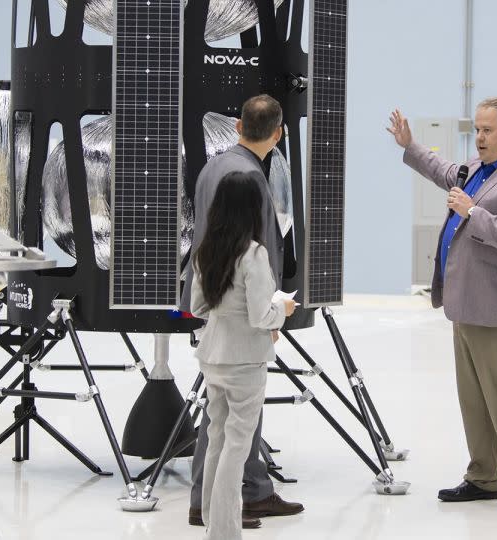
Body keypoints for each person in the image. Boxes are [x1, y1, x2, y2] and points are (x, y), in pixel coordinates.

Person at [387, 97, 497, 512]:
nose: (478, 138)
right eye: (477, 130)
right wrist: (411, 145)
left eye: (487, 130)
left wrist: (472, 211)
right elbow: (445, 173)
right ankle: (481, 477)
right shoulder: (480, 169)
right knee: (474, 401)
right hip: (468, 308)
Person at [180, 95, 304, 527]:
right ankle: (227, 507)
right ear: (279, 133)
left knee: (219, 426)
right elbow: (262, 249)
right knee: (235, 431)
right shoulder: (250, 177)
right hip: (244, 319)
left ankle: (224, 499)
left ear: (236, 125)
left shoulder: (214, 166)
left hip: (212, 311)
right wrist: (272, 313)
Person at [190, 171, 297, 539]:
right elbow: (260, 315)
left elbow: (198, 306)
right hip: (245, 360)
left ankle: (209, 520)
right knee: (237, 446)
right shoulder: (254, 253)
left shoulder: (206, 249)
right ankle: (224, 532)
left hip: (212, 355)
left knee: (217, 438)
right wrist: (282, 310)